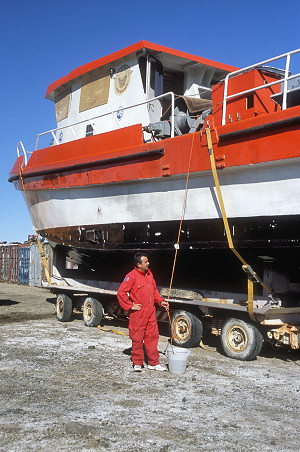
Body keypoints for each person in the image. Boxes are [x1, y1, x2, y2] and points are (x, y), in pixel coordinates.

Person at [117, 252, 169, 372]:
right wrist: (131, 306)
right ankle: (137, 362)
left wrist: (160, 301)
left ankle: (153, 362)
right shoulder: (131, 276)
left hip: (151, 311)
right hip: (139, 312)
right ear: (139, 264)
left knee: (152, 336)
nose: (148, 263)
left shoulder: (149, 274)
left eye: (148, 261)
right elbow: (121, 293)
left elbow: (154, 291)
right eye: (146, 262)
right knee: (137, 337)